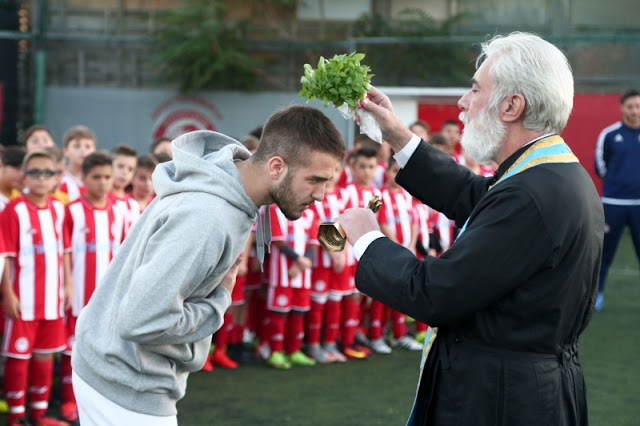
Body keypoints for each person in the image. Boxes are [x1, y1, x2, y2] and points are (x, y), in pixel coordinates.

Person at [336, 32, 603, 425]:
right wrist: (396, 133)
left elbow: (435, 294)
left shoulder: (531, 194)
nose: (463, 102)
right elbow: (472, 193)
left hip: (502, 400)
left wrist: (367, 239)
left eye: (475, 89)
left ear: (511, 105)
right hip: (516, 389)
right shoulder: (548, 173)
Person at [71, 105, 344, 424]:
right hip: (125, 383)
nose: (322, 195)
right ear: (276, 167)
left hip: (118, 370)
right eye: (314, 180)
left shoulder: (226, 185)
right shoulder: (208, 217)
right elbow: (140, 320)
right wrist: (217, 304)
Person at [1, 150, 70, 426]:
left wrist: (68, 288)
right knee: (19, 356)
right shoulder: (13, 210)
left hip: (52, 300)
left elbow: (64, 251)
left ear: (56, 177)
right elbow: (4, 255)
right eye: (35, 172)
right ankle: (17, 416)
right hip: (23, 300)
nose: (41, 178)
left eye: (47, 172)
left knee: (44, 355)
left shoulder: (58, 209)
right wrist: (7, 294)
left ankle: (39, 414)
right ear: (24, 176)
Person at [60, 151, 124, 425]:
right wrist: (66, 287)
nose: (102, 182)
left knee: (107, 349)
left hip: (108, 297)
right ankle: (67, 399)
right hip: (79, 296)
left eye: (107, 177)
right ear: (83, 177)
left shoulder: (120, 210)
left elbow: (125, 254)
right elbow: (63, 253)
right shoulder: (72, 210)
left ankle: (101, 399)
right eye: (96, 177)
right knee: (72, 350)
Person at [594, 88, 640, 311]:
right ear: (623, 108)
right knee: (605, 253)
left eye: (638, 106)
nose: (634, 111)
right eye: (630, 106)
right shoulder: (609, 135)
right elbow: (600, 166)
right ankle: (597, 295)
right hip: (614, 204)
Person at [60, 125, 97, 201]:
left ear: (94, 150)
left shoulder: (100, 179)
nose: (83, 150)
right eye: (77, 146)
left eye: (88, 147)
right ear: (65, 151)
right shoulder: (59, 180)